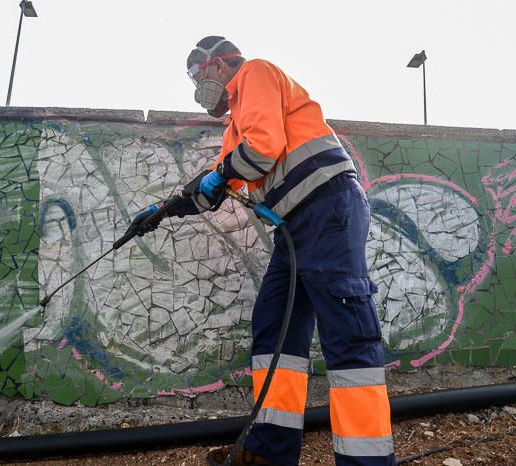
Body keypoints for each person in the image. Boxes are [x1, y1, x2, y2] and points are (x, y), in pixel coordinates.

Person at [129, 36, 397, 466]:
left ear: (218, 65)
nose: (199, 88)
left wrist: (218, 178)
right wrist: (165, 210)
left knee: (348, 335)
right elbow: (222, 182)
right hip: (296, 228)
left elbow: (261, 150)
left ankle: (368, 461)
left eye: (198, 76)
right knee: (275, 329)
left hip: (327, 208)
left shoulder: (253, 73)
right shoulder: (236, 124)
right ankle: (270, 452)